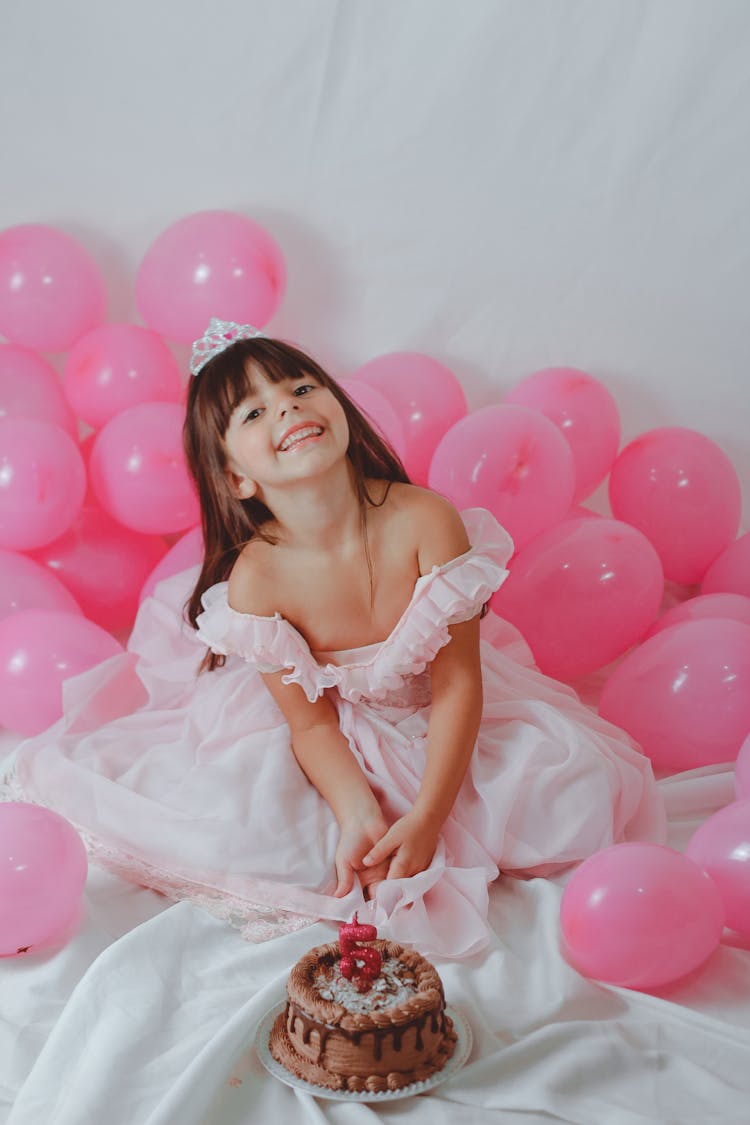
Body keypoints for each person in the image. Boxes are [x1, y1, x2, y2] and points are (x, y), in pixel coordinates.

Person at [7, 319, 666, 958]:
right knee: (277, 836)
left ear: (337, 405)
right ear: (237, 477)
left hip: (443, 715)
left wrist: (431, 814)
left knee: (572, 794)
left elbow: (459, 681)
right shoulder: (259, 578)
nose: (289, 410)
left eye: (300, 388)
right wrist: (357, 812)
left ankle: (431, 808)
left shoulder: (425, 520)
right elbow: (313, 725)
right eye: (254, 413)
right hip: (332, 734)